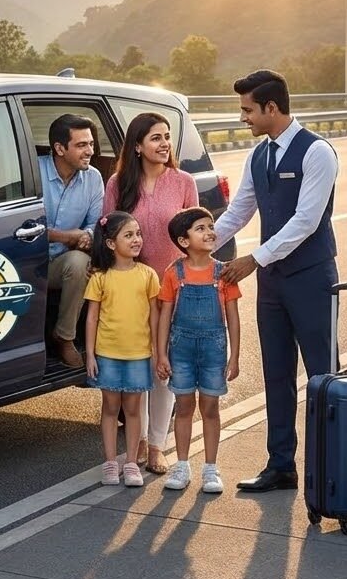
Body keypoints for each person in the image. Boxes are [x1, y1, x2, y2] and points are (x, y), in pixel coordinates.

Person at [214, 69, 339, 492]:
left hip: (311, 277)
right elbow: (239, 212)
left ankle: (334, 466)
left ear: (271, 107)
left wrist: (255, 258)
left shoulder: (317, 152)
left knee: (323, 374)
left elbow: (307, 220)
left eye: (248, 110)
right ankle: (281, 465)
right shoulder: (259, 156)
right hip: (273, 283)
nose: (243, 117)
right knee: (277, 372)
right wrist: (197, 246)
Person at [102, 111, 198, 476]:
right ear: (138, 145)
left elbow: (195, 237)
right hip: (132, 286)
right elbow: (107, 235)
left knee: (164, 369)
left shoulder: (184, 181)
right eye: (156, 137)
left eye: (167, 137)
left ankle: (157, 444)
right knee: (138, 366)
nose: (164, 144)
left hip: (173, 287)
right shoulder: (118, 183)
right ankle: (137, 441)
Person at [156, 207, 242, 493]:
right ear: (183, 241)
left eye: (210, 227)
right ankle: (181, 466)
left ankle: (210, 468)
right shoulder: (174, 273)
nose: (209, 232)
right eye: (201, 228)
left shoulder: (223, 273)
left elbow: (232, 316)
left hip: (213, 349)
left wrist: (235, 356)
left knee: (210, 408)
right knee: (183, 407)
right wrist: (161, 353)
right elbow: (165, 314)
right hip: (180, 349)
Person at [84, 210, 161, 487]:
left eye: (138, 234)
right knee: (109, 407)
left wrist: (156, 349)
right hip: (108, 354)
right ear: (110, 244)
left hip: (139, 354)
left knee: (133, 410)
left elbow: (154, 314)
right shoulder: (101, 278)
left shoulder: (148, 275)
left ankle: (130, 462)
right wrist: (90, 354)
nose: (137, 239)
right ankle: (109, 462)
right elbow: (92, 317)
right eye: (128, 235)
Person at [39, 113, 104, 367]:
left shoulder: (94, 178)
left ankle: (64, 337)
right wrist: (67, 236)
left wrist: (86, 236)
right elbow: (21, 225)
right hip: (26, 257)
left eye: (90, 143)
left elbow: (95, 225)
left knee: (79, 263)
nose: (90, 150)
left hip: (61, 262)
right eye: (81, 145)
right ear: (59, 148)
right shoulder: (33, 170)